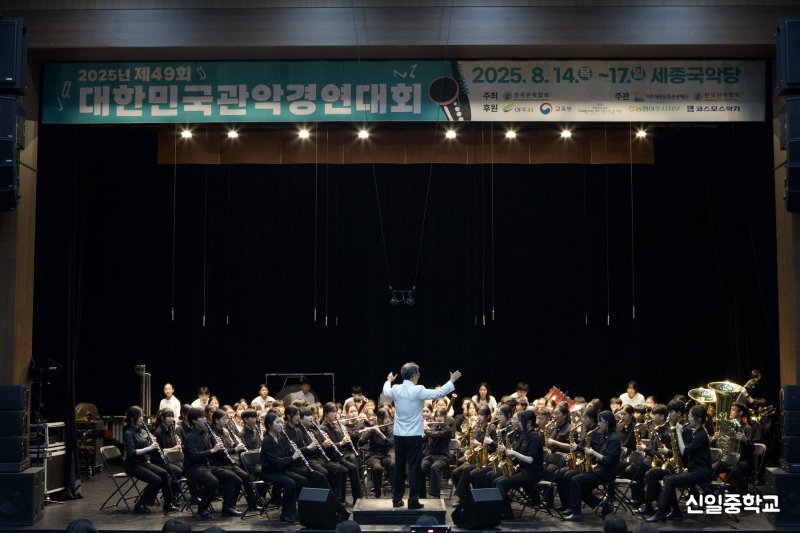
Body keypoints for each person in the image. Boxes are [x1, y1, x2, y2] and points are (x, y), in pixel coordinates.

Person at [382, 363, 462, 509]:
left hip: (399, 435)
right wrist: (451, 381)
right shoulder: (418, 390)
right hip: (413, 436)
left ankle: (396, 499)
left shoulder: (396, 388)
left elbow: (386, 391)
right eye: (418, 373)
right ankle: (413, 501)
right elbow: (438, 394)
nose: (419, 375)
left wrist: (389, 380)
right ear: (413, 375)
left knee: (399, 467)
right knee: (413, 468)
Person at [647, 405, 713, 522]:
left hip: (702, 472)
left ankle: (661, 513)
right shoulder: (697, 432)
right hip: (694, 469)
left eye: (691, 417)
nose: (689, 419)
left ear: (698, 419)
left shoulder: (701, 435)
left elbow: (684, 451)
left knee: (670, 480)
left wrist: (678, 432)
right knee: (667, 478)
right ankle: (675, 511)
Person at [261, 411, 325, 523]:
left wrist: (294, 452)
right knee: (290, 483)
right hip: (270, 473)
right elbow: (276, 462)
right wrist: (293, 457)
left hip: (281, 470)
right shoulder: (267, 441)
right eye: (277, 422)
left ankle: (300, 510)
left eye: (281, 422)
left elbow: (287, 454)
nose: (281, 425)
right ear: (270, 425)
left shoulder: (280, 437)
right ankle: (286, 514)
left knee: (302, 480)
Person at [183, 407, 243, 519]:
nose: (205, 419)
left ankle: (228, 507)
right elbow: (194, 456)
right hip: (193, 468)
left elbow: (212, 450)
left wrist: (221, 447)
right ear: (194, 420)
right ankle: (202, 509)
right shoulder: (190, 437)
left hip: (206, 466)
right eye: (202, 417)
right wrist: (212, 450)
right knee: (213, 482)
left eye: (205, 417)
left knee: (233, 478)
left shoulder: (205, 433)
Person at [563, 410, 621, 521]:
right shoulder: (606, 435)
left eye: (601, 422)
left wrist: (593, 453)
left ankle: (576, 513)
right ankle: (606, 507)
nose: (598, 424)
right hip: (600, 468)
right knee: (582, 488)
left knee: (576, 480)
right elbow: (600, 455)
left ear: (607, 423)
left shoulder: (614, 439)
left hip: (607, 472)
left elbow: (608, 460)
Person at [123, 406, 177, 514]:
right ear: (133, 418)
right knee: (156, 480)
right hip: (132, 465)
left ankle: (168, 503)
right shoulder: (129, 433)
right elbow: (131, 453)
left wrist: (152, 444)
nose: (142, 419)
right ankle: (140, 505)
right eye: (140, 416)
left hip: (143, 462)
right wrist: (149, 447)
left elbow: (150, 449)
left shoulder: (143, 431)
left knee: (164, 473)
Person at [493, 411, 544, 520]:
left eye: (521, 421)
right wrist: (505, 451)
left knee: (501, 484)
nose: (519, 423)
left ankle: (507, 514)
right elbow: (515, 453)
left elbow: (530, 460)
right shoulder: (524, 435)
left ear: (529, 422)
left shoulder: (535, 437)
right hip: (523, 470)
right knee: (495, 481)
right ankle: (498, 509)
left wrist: (512, 453)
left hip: (533, 473)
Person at [359, 408, 395, 498]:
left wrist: (381, 434)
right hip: (372, 455)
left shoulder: (390, 429)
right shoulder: (372, 429)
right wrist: (363, 436)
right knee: (377, 467)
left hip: (385, 455)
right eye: (386, 418)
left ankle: (395, 491)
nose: (388, 420)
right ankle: (377, 492)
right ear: (379, 418)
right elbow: (360, 444)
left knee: (393, 464)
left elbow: (391, 443)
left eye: (389, 417)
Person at [421, 407, 454, 498]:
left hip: (443, 457)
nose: (439, 418)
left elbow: (436, 435)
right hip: (431, 456)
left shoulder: (447, 430)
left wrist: (426, 430)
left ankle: (435, 495)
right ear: (435, 418)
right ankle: (421, 494)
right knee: (421, 467)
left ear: (445, 418)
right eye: (437, 416)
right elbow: (424, 439)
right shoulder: (433, 427)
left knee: (435, 467)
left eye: (441, 416)